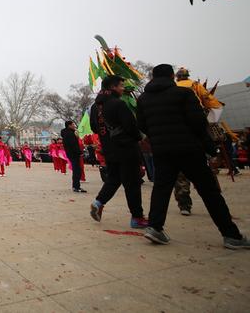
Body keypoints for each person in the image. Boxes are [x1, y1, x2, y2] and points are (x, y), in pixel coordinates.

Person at [137, 64, 249, 249]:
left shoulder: (143, 99)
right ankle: (231, 234)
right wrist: (210, 148)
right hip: (188, 148)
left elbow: (141, 124)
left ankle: (155, 227)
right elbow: (198, 123)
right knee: (209, 191)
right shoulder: (184, 94)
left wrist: (158, 137)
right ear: (172, 76)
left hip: (162, 150)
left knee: (161, 189)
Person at [89, 75, 148, 228]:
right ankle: (137, 217)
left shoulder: (95, 107)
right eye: (121, 86)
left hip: (109, 150)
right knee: (132, 184)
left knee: (114, 179)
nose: (123, 88)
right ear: (113, 87)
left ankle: (98, 202)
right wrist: (139, 138)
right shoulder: (118, 104)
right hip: (126, 149)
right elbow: (131, 127)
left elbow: (95, 128)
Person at [61, 121, 85, 192]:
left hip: (71, 154)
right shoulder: (70, 134)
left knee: (77, 170)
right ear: (69, 125)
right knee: (77, 170)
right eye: (73, 124)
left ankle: (76, 186)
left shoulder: (67, 133)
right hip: (73, 154)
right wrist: (80, 152)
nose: (74, 126)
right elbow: (73, 145)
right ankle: (76, 187)